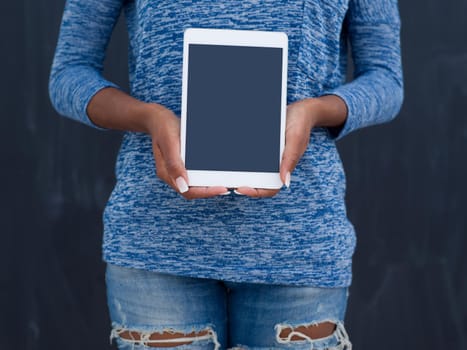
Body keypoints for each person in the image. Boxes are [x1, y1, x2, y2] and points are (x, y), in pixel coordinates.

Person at [49, 0, 403, 349]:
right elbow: (69, 72)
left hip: (297, 246)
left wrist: (314, 110)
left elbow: (386, 80)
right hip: (158, 239)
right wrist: (148, 117)